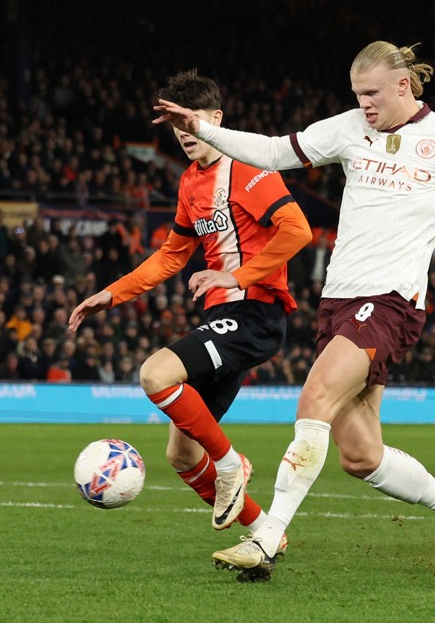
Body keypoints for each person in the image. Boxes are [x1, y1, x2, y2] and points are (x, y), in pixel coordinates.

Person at [154, 41, 435, 581]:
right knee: (360, 455)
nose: (363, 103)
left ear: (403, 85)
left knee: (314, 400)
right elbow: (274, 152)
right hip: (338, 301)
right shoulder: (351, 128)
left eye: (371, 93)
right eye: (357, 94)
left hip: (390, 301)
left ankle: (266, 539)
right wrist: (202, 129)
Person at [70, 70, 312, 540]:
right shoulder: (189, 183)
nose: (183, 133)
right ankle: (265, 535)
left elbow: (297, 230)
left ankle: (230, 466)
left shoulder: (249, 168)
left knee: (154, 374)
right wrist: (111, 294)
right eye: (175, 125)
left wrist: (236, 276)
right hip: (223, 317)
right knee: (181, 454)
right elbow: (171, 256)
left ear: (216, 118)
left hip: (255, 314)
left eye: (190, 120)